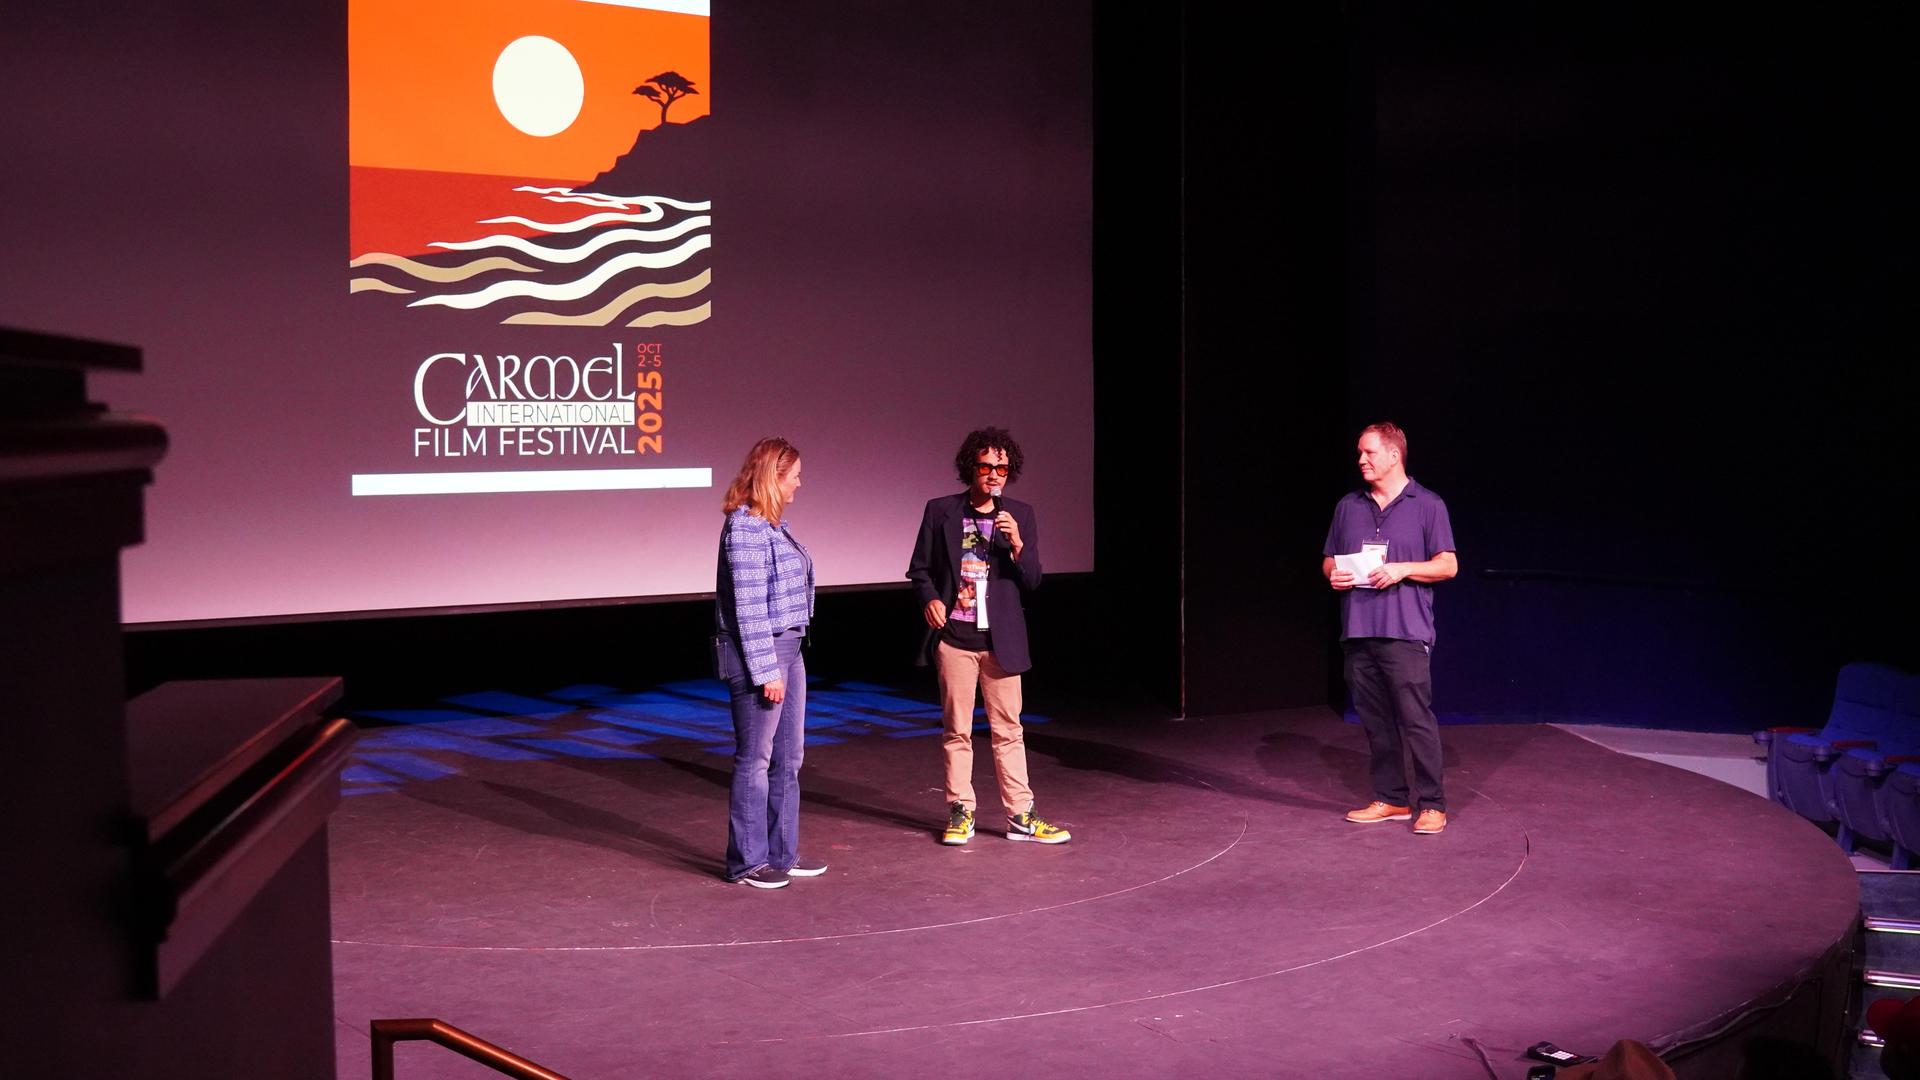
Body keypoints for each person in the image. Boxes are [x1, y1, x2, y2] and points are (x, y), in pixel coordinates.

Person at [907, 426, 1071, 846]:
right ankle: (961, 811)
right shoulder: (941, 510)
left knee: (1008, 730)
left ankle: (1021, 815)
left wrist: (1017, 543)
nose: (995, 474)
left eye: (1002, 467)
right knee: (957, 730)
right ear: (971, 467)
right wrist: (929, 599)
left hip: (1002, 642)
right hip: (955, 638)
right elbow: (920, 570)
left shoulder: (1021, 515)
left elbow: (1032, 580)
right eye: (987, 466)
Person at [1322, 421, 1459, 834]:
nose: (1361, 460)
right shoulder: (1349, 506)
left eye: (1369, 453)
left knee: (1415, 719)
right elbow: (1329, 558)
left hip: (1406, 631)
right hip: (1359, 630)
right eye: (1359, 453)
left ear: (1394, 455)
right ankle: (1391, 798)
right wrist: (1333, 574)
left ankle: (1432, 804)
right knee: (1376, 721)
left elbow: (1448, 565)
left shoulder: (1427, 504)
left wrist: (1404, 568)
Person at [714, 437, 824, 888]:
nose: (800, 482)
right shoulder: (745, 528)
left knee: (788, 758)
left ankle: (781, 854)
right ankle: (747, 862)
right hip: (762, 651)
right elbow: (748, 606)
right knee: (755, 759)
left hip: (791, 647)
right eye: (794, 475)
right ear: (773, 477)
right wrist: (766, 669)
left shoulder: (773, 526)